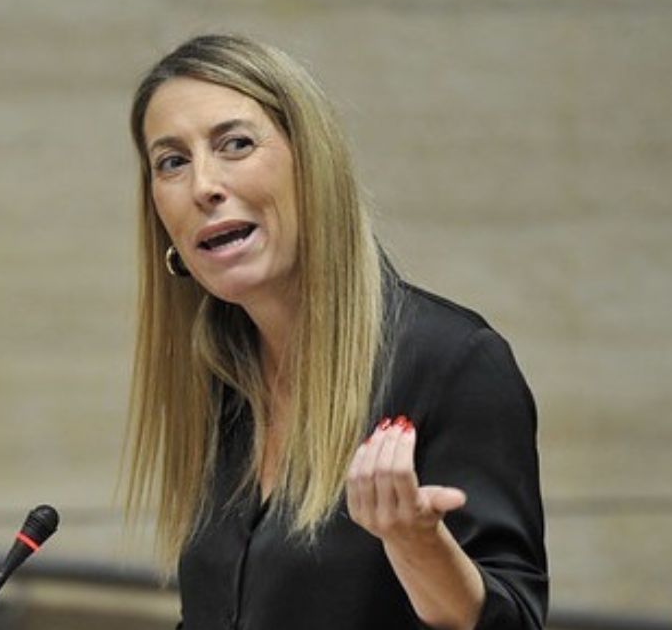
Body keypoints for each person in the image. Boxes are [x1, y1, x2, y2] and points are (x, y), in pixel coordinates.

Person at [121, 34, 548, 629]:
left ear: (312, 162)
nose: (202, 186)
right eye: (172, 161)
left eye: (236, 144)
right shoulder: (221, 379)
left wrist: (417, 544)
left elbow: (514, 622)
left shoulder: (452, 362)